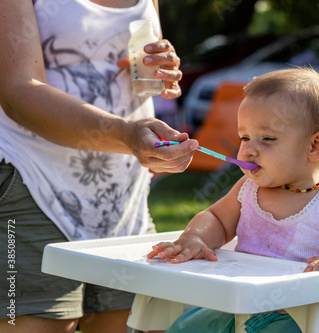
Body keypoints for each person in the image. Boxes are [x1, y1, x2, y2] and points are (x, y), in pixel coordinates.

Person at [147, 67, 319, 332]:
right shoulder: (247, 190)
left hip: (301, 317)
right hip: (241, 304)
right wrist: (197, 238)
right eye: (244, 137)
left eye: (267, 138)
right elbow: (215, 219)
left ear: (315, 146)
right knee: (186, 326)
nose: (248, 149)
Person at [0, 1, 198, 332]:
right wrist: (125, 135)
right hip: (35, 182)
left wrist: (163, 66)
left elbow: (136, 63)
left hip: (124, 196)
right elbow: (18, 91)